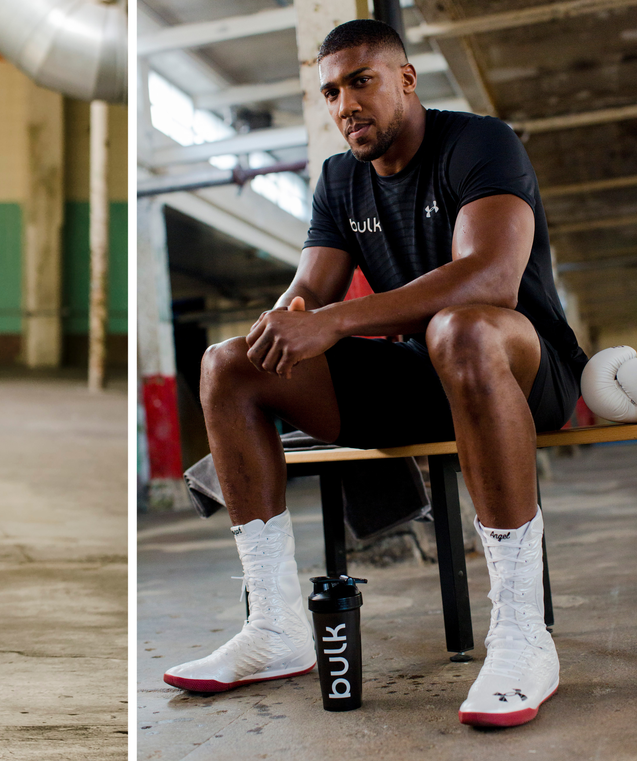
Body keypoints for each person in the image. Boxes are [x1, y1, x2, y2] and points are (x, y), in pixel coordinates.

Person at [161, 19, 584, 728]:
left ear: (405, 80)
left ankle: (521, 633)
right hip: (421, 381)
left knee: (463, 328)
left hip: (520, 371)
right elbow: (307, 295)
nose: (344, 105)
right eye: (330, 91)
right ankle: (273, 626)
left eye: (360, 81)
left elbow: (492, 277)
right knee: (228, 362)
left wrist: (333, 322)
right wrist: (285, 324)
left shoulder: (478, 143)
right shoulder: (338, 181)